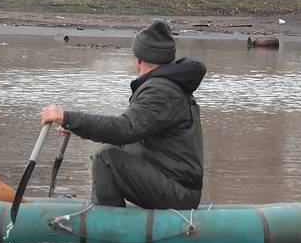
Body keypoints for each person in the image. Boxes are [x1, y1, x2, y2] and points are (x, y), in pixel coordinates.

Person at [40, 20, 206, 210]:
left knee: (106, 157)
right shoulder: (166, 85)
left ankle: (108, 225)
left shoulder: (161, 91)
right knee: (110, 147)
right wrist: (74, 126)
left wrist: (68, 118)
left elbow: (125, 129)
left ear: (139, 59)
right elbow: (128, 135)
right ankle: (103, 210)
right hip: (175, 185)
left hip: (179, 192)